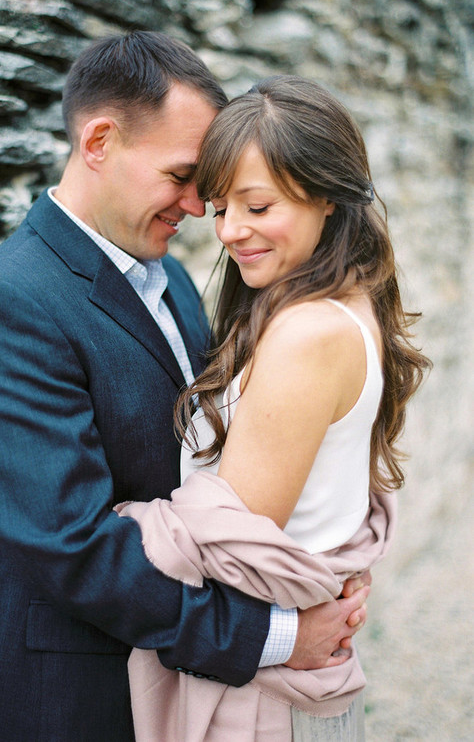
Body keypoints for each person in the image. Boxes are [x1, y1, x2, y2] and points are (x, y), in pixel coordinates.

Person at [0, 34, 370, 742]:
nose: (201, 207)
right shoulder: (8, 303)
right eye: (182, 175)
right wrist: (274, 634)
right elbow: (72, 546)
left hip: (176, 682)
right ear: (100, 140)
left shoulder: (168, 276)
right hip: (76, 694)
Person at [116, 75, 430, 740]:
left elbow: (233, 544)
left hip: (265, 703)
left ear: (324, 194)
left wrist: (114, 522)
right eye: (222, 205)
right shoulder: (339, 300)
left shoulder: (308, 332)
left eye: (257, 206)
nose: (231, 231)